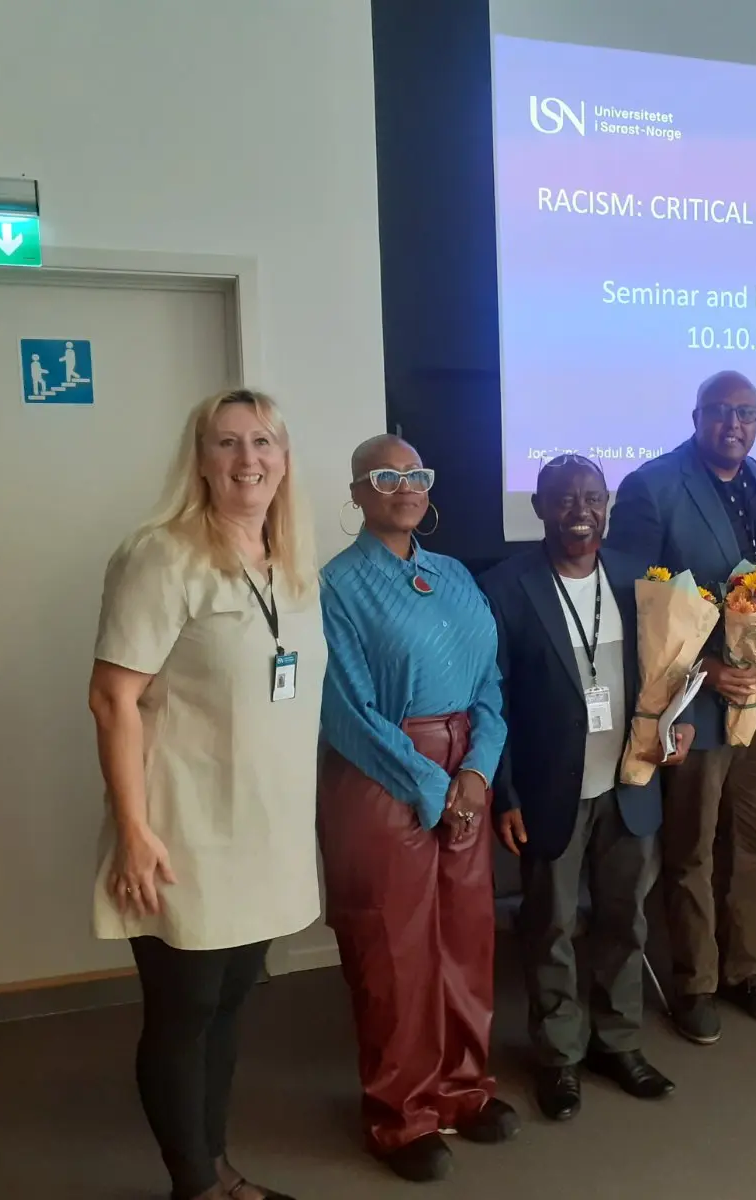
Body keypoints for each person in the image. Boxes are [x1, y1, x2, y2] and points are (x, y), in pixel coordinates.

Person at [87, 388, 319, 1200]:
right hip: (182, 834)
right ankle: (195, 1186)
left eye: (262, 443)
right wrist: (134, 830)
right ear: (200, 461)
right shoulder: (161, 556)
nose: (247, 461)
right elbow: (112, 699)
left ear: (285, 461)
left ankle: (216, 1170)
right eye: (226, 444)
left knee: (227, 1010)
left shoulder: (288, 566)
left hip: (263, 832)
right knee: (184, 1019)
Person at [316, 435, 517, 1182]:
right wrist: (434, 790)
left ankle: (463, 1090)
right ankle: (399, 1116)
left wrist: (475, 774)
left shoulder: (456, 575)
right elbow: (346, 713)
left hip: (465, 769)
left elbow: (490, 685)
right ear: (360, 492)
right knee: (394, 954)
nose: (406, 486)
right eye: (387, 475)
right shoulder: (336, 587)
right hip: (383, 778)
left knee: (467, 940)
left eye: (417, 475)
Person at [482, 454, 696, 1122]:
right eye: (565, 498)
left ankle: (618, 1042)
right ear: (539, 508)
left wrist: (676, 728)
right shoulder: (506, 587)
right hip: (549, 790)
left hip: (628, 785)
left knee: (623, 921)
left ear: (608, 504)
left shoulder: (639, 578)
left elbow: (668, 674)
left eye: (593, 496)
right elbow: (493, 699)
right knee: (548, 925)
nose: (581, 510)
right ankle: (558, 1057)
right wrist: (505, 792)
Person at [605, 370, 756, 1044]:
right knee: (692, 844)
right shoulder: (652, 488)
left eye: (746, 412)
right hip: (695, 693)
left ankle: (747, 970)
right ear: (696, 416)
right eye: (720, 412)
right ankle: (696, 982)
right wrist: (709, 667)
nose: (734, 424)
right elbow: (633, 605)